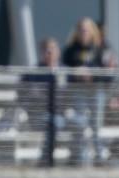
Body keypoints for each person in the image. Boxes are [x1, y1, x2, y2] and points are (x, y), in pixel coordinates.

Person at [20, 37, 89, 165]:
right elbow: (27, 95)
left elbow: (71, 94)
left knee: (80, 123)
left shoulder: (66, 71)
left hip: (63, 113)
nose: (50, 52)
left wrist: (69, 108)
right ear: (42, 52)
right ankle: (45, 161)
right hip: (41, 115)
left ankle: (75, 161)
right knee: (54, 123)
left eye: (53, 49)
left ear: (58, 52)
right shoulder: (34, 72)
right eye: (47, 50)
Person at [61, 17, 116, 165]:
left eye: (86, 29)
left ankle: (99, 158)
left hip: (96, 91)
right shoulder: (70, 50)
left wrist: (93, 74)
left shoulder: (101, 48)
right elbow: (64, 72)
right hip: (78, 90)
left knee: (96, 125)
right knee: (80, 124)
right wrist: (76, 72)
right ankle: (80, 157)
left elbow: (109, 73)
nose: (83, 32)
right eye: (80, 29)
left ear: (92, 31)